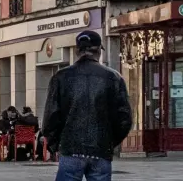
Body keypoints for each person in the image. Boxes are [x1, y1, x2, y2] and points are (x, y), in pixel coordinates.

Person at [42, 30, 134, 181]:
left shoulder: (61, 77)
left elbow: (50, 117)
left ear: (77, 50)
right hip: (101, 148)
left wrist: (55, 145)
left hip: (71, 149)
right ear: (98, 50)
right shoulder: (113, 77)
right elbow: (124, 119)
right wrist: (109, 142)